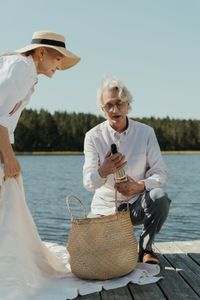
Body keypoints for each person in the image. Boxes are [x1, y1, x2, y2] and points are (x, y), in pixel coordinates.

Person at [83, 77, 171, 265]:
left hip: (136, 205)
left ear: (128, 104)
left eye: (119, 103)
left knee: (159, 197)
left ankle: (146, 249)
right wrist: (104, 170)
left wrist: (138, 186)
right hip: (105, 208)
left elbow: (161, 174)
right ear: (102, 109)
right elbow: (89, 183)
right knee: (97, 259)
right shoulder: (93, 137)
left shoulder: (146, 132)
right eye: (109, 105)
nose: (115, 110)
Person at [0, 30, 80, 180]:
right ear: (41, 53)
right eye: (57, 59)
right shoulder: (21, 68)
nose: (59, 66)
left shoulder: (26, 72)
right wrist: (9, 157)